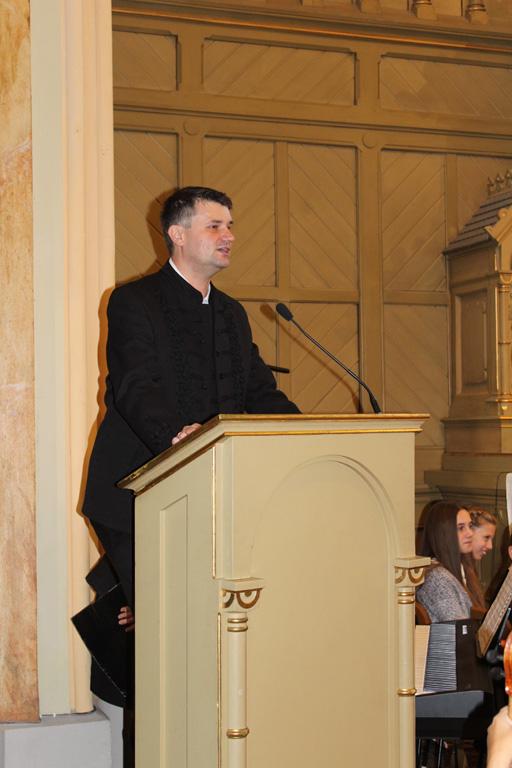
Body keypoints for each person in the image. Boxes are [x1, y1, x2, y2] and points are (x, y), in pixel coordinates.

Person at [83, 184, 300, 615]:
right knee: (165, 618)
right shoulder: (133, 301)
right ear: (177, 235)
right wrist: (179, 436)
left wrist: (305, 432)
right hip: (137, 493)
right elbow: (134, 387)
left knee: (208, 618)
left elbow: (259, 392)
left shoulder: (231, 312)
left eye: (230, 226)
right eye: (215, 226)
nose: (229, 236)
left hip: (215, 494)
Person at [416, 501, 474, 622]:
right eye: (461, 528)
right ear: (443, 533)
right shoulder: (438, 578)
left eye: (470, 526)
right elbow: (458, 627)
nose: (470, 533)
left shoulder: (459, 567)